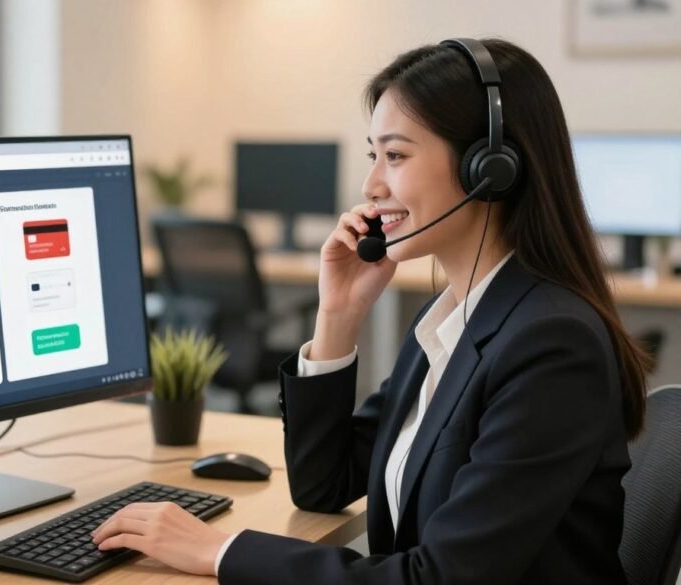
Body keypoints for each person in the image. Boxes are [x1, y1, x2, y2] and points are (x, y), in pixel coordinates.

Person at [91, 38, 650, 584]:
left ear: (490, 168)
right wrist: (336, 317)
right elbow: (323, 485)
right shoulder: (451, 320)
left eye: (397, 155)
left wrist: (220, 551)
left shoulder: (549, 343)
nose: (370, 184)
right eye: (373, 155)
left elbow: (442, 576)